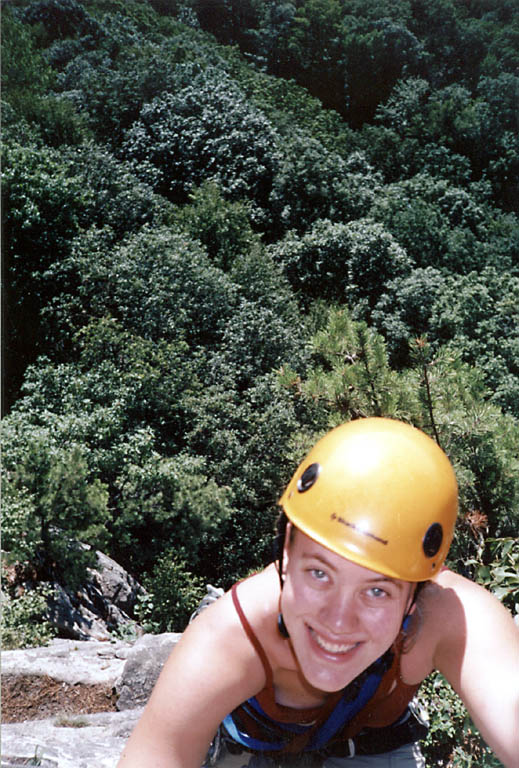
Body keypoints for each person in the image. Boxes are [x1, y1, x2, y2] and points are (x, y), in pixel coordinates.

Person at [117, 418, 518, 768]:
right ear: (286, 551)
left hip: (371, 746)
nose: (338, 622)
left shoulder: (447, 618)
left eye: (377, 591)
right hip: (252, 749)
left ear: (416, 595)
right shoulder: (231, 636)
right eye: (319, 573)